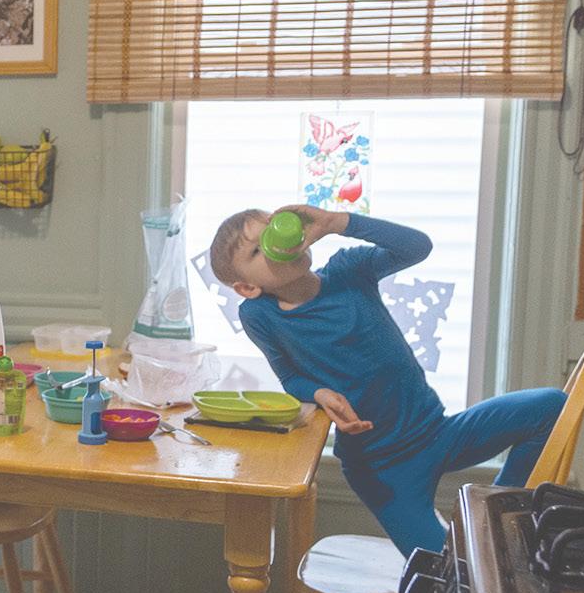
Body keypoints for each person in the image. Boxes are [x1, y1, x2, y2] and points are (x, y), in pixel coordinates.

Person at [212, 206, 564, 555]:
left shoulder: (349, 270)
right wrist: (319, 393)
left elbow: (417, 247)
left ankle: (494, 516)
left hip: (437, 433)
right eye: (256, 250)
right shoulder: (260, 315)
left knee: (552, 407)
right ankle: (484, 545)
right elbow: (289, 377)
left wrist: (335, 222)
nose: (274, 243)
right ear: (247, 287)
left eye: (273, 228)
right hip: (381, 471)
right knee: (448, 570)